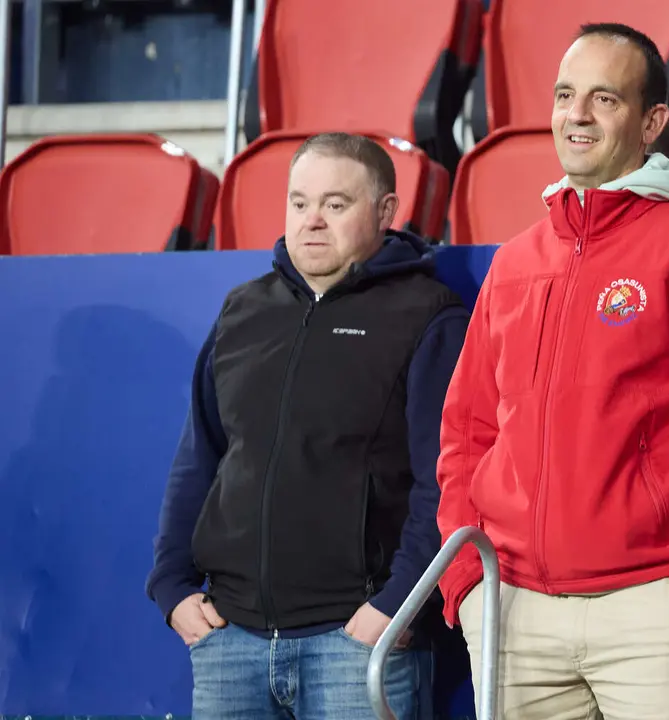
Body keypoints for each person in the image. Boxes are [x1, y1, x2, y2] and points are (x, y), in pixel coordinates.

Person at [436, 22, 669, 720]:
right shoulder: (517, 260)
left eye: (604, 99)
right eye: (566, 95)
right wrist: (468, 582)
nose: (577, 115)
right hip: (516, 614)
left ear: (653, 121)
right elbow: (467, 431)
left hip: (656, 614)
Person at [145, 132, 468, 719]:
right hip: (229, 642)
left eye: (335, 204)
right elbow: (201, 459)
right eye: (299, 203)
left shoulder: (429, 315)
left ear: (386, 212)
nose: (312, 221)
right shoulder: (243, 311)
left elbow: (445, 481)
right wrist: (172, 587)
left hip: (356, 644)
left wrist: (396, 606)